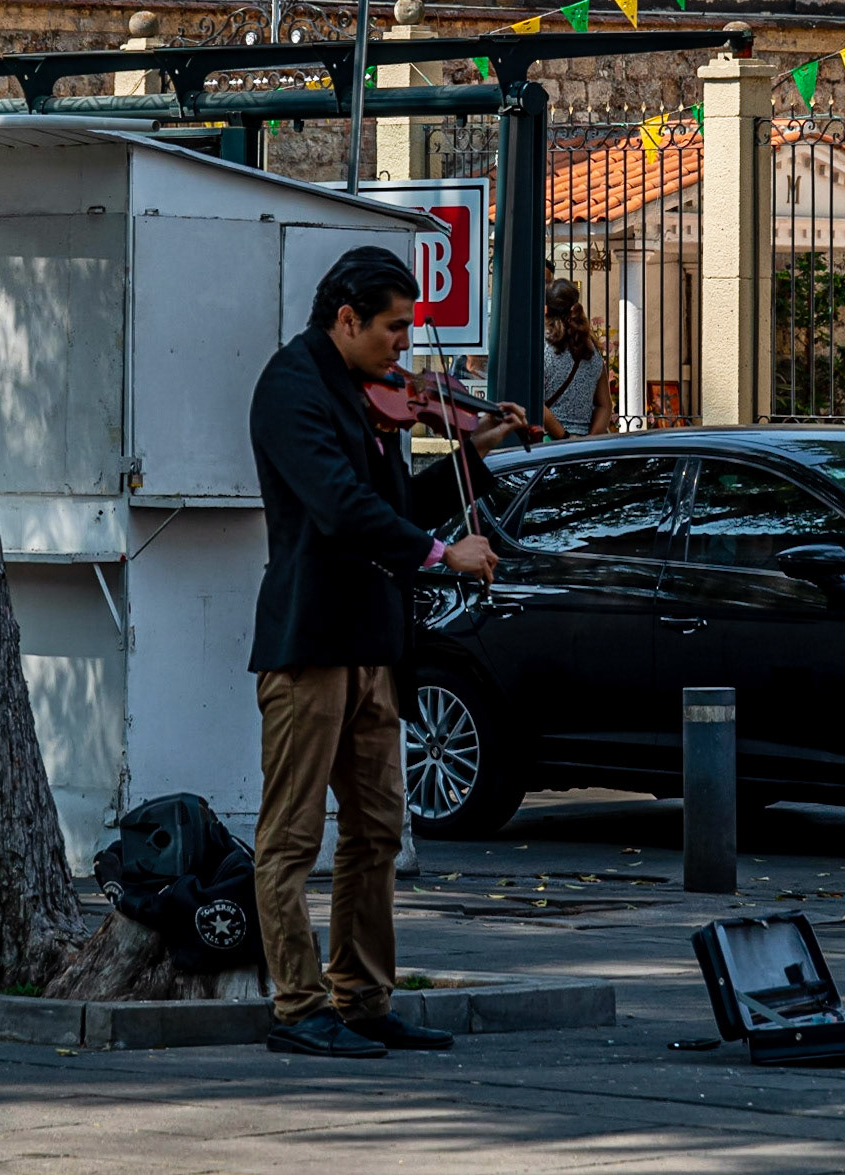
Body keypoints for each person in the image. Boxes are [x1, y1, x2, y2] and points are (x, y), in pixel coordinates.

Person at [248, 247, 528, 1058]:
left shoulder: (380, 402)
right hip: (309, 641)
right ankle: (297, 1006)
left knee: (376, 828)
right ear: (346, 319)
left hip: (373, 640)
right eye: (394, 329)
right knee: (292, 835)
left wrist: (476, 448)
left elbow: (401, 504)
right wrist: (445, 558)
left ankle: (364, 997)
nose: (405, 348)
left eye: (408, 330)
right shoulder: (291, 390)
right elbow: (341, 510)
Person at [542, 279, 613, 440]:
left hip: (550, 443)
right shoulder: (591, 350)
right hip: (583, 449)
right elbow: (605, 405)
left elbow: (537, 405)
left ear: (546, 309)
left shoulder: (543, 348)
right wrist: (589, 441)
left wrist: (566, 437)